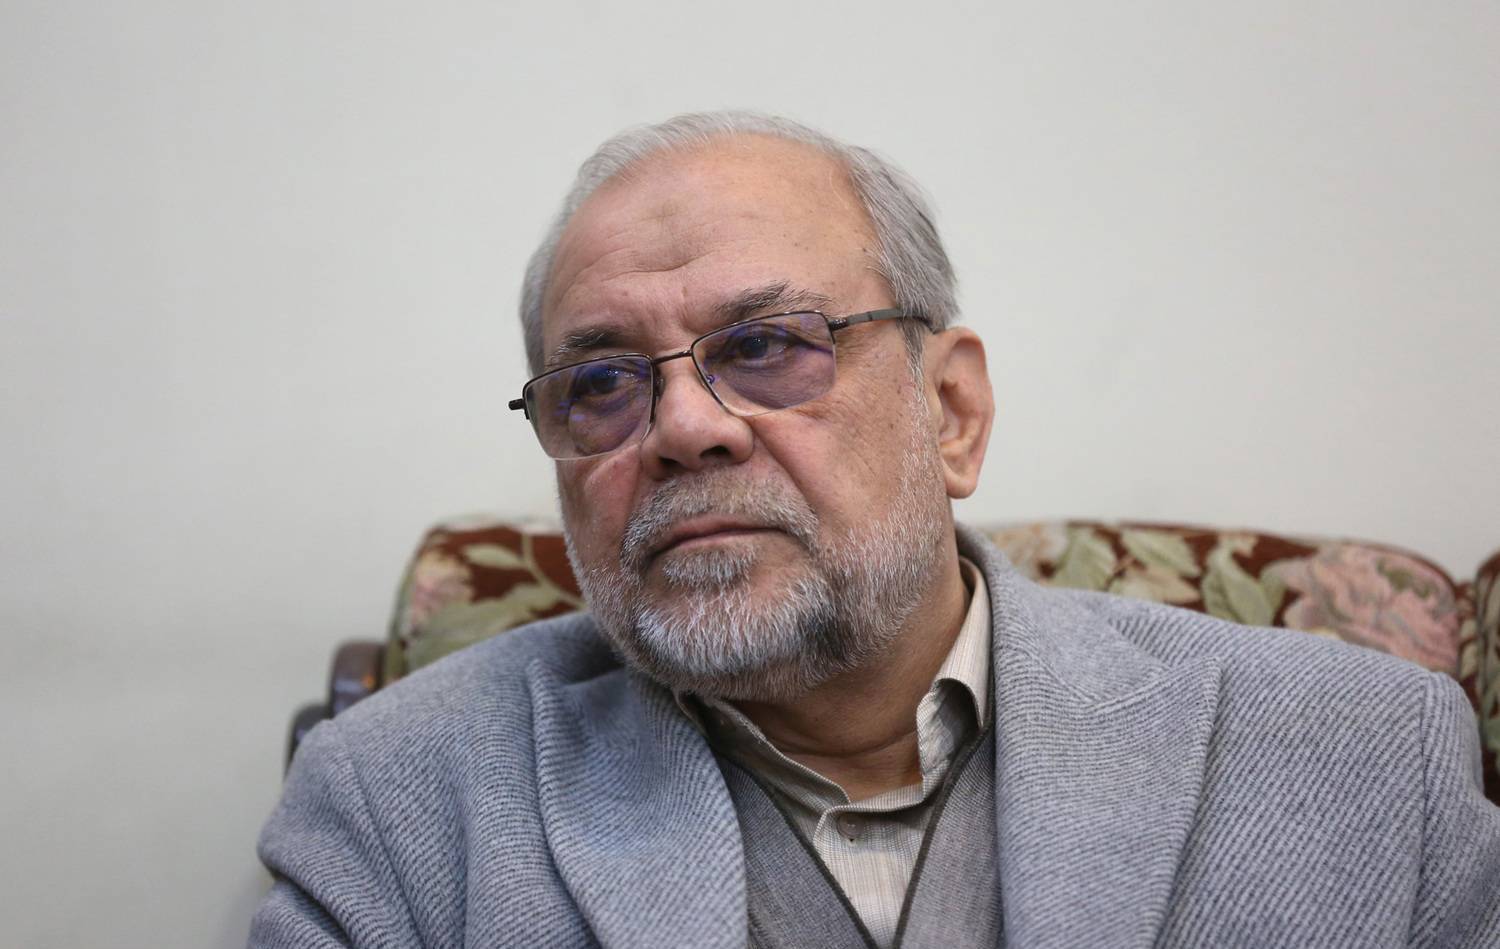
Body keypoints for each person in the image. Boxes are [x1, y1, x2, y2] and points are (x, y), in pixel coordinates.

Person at [250, 112, 1500, 948]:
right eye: (602, 382)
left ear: (950, 412)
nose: (682, 426)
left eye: (766, 345)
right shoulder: (395, 809)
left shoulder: (1365, 760)